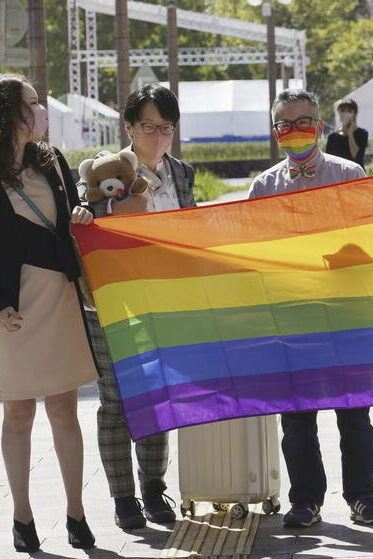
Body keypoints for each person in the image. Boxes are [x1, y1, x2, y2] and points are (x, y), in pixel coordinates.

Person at [249, 88, 373, 528]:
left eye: (302, 122)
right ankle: (306, 500)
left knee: (355, 413)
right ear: (275, 132)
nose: (294, 130)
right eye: (285, 124)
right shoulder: (264, 186)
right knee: (296, 418)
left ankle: (363, 497)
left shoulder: (349, 174)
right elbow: (251, 252)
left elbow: (370, 238)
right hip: (291, 316)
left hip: (346, 313)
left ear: (319, 126)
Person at [80, 84, 196, 530]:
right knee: (114, 401)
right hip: (109, 301)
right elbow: (80, 215)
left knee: (157, 394)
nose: (158, 136)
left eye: (166, 127)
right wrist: (113, 209)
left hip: (163, 302)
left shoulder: (181, 173)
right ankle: (123, 498)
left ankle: (152, 489)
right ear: (128, 127)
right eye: (149, 126)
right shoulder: (104, 169)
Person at [0, 74, 97, 552]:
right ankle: (22, 517)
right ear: (10, 114)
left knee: (64, 409)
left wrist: (83, 214)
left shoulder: (52, 159)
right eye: (33, 103)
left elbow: (73, 212)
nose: (41, 111)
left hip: (59, 294)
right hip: (11, 308)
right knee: (18, 412)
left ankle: (76, 513)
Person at [325, 98, 368, 168]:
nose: (345, 114)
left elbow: (356, 156)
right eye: (342, 111)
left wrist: (350, 134)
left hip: (356, 173)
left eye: (349, 111)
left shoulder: (362, 133)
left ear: (354, 114)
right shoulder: (332, 137)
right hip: (338, 173)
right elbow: (328, 160)